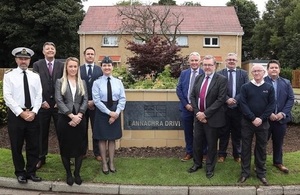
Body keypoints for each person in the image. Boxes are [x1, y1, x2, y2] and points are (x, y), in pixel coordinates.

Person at [3, 47, 43, 183]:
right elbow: (7, 96)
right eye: (21, 58)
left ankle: (31, 172)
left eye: (26, 59)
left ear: (30, 60)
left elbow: (39, 95)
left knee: (34, 145)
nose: (23, 61)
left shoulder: (35, 76)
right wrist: (21, 113)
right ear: (16, 59)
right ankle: (20, 172)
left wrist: (34, 112)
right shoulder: (9, 75)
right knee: (16, 145)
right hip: (16, 115)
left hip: (33, 114)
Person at [188, 55, 227, 179]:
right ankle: (197, 164)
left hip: (213, 118)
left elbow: (221, 99)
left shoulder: (221, 79)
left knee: (211, 144)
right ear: (202, 65)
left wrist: (205, 114)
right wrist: (198, 113)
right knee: (197, 142)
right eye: (205, 65)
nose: (207, 67)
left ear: (214, 65)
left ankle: (210, 167)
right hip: (199, 117)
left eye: (210, 64)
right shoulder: (199, 77)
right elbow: (193, 96)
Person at [238, 64, 275, 186]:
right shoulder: (245, 87)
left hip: (263, 124)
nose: (257, 73)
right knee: (245, 148)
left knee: (261, 148)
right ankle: (245, 173)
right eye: (254, 71)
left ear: (264, 72)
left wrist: (261, 118)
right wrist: (253, 118)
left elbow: (271, 105)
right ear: (251, 73)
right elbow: (242, 104)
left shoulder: (269, 88)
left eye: (259, 70)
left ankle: (261, 173)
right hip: (247, 123)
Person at [55, 57, 88, 186]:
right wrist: (70, 115)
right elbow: (59, 100)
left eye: (75, 66)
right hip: (64, 118)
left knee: (80, 147)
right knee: (65, 147)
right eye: (71, 66)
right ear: (66, 68)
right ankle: (68, 173)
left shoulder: (82, 82)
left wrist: (79, 115)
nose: (73, 69)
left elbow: (85, 100)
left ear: (78, 68)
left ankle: (77, 173)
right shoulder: (60, 81)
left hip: (80, 118)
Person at [92, 56, 126, 175]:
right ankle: (104, 163)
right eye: (104, 65)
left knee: (112, 139)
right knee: (102, 138)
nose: (107, 67)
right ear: (101, 67)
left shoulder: (118, 82)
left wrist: (116, 113)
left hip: (115, 110)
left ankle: (111, 162)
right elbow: (96, 101)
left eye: (109, 65)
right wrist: (109, 113)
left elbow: (122, 99)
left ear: (112, 67)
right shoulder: (97, 83)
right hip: (102, 112)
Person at [33, 42, 64, 169]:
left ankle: (66, 156)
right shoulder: (37, 65)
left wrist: (59, 101)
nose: (50, 50)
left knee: (62, 132)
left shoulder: (61, 65)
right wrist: (41, 101)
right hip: (43, 105)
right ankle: (41, 157)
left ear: (55, 51)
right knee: (41, 133)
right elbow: (34, 85)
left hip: (58, 105)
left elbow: (64, 83)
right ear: (43, 51)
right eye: (47, 49)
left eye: (52, 48)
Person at [217, 53, 249, 163]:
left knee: (237, 133)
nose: (231, 61)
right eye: (229, 59)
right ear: (226, 61)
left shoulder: (243, 74)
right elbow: (217, 90)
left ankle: (237, 154)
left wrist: (235, 99)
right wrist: (226, 99)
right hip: (224, 109)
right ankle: (222, 154)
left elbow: (245, 89)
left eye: (233, 60)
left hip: (238, 109)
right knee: (223, 133)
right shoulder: (219, 73)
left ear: (237, 61)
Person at [264, 60, 294, 174]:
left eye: (276, 67)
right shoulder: (262, 82)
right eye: (271, 67)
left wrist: (282, 113)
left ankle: (278, 162)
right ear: (268, 70)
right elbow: (260, 101)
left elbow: (290, 99)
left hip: (281, 120)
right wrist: (269, 113)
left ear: (279, 70)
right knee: (262, 143)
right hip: (266, 120)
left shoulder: (286, 83)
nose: (274, 69)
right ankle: (260, 164)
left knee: (278, 142)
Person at [176, 52, 205, 162]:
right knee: (188, 131)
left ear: (200, 61)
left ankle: (204, 152)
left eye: (196, 60)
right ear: (189, 62)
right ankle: (189, 152)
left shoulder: (204, 73)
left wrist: (197, 107)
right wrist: (186, 104)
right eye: (192, 60)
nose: (194, 62)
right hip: (186, 108)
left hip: (201, 109)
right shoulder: (184, 73)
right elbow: (179, 90)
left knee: (202, 131)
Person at [80, 47, 103, 161]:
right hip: (82, 105)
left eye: (92, 54)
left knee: (96, 129)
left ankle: (97, 153)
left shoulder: (100, 70)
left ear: (94, 56)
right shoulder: (79, 70)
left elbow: (101, 88)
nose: (90, 56)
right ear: (84, 55)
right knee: (82, 129)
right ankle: (82, 152)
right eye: (88, 54)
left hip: (96, 105)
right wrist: (85, 101)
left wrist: (94, 100)